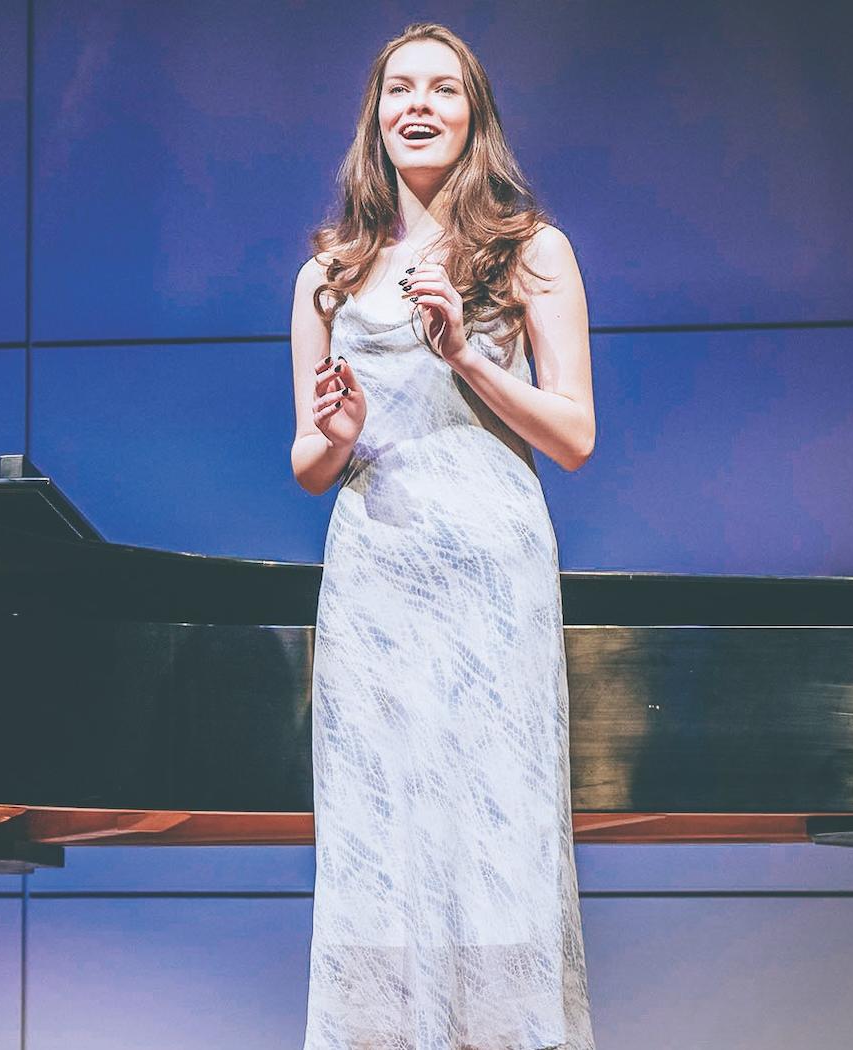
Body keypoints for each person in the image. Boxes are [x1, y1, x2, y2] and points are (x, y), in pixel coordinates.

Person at [288, 22, 598, 1050]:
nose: (418, 105)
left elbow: (574, 437)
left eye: (442, 89)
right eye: (399, 89)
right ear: (374, 117)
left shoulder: (532, 250)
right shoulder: (327, 273)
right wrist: (336, 434)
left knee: (496, 825)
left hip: (491, 571)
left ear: (475, 117)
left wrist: (465, 355)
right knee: (380, 829)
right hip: (375, 572)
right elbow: (309, 461)